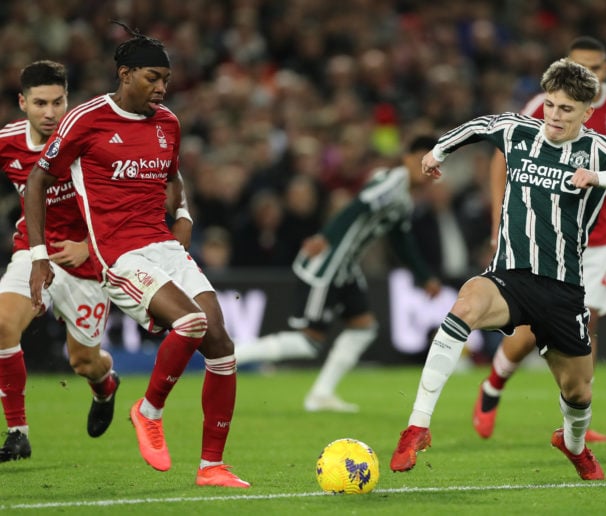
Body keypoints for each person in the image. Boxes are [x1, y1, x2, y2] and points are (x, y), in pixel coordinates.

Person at [390, 58, 606, 481]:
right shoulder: (518, 130)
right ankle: (416, 427)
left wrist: (602, 179)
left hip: (563, 290)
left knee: (578, 391)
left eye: (566, 109)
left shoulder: (599, 150)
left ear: (587, 112)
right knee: (466, 302)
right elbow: (477, 126)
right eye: (551, 105)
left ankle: (573, 444)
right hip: (510, 276)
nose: (555, 116)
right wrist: (437, 153)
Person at [24, 25, 248, 488]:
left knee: (222, 346)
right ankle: (147, 412)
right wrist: (39, 255)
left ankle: (212, 467)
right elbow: (37, 182)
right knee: (190, 323)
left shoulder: (168, 123)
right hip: (118, 255)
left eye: (165, 78)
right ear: (125, 75)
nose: (162, 87)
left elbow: (173, 177)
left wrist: (183, 214)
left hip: (165, 246)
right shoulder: (85, 120)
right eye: (152, 77)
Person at [473, 36, 606, 443]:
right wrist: (498, 222)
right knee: (530, 330)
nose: (590, 73)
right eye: (581, 65)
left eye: (598, 66)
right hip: (545, 232)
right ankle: (493, 386)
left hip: (601, 233)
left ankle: (576, 414)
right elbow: (502, 154)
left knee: (586, 325)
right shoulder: (547, 104)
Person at [233, 136, 442, 412]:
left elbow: (400, 240)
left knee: (364, 328)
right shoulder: (393, 181)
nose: (428, 169)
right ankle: (232, 355)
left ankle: (321, 394)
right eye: (423, 161)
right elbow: (357, 206)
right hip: (327, 267)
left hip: (346, 270)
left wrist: (423, 275)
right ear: (407, 159)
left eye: (435, 164)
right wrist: (326, 238)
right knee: (308, 342)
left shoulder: (404, 200)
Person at [0, 61, 120, 462]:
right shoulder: (8, 142)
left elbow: (124, 205)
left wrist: (88, 244)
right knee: (1, 325)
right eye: (39, 103)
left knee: (83, 362)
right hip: (33, 252)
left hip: (86, 263)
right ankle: (17, 432)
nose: (49, 112)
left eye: (57, 102)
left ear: (68, 100)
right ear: (23, 103)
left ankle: (105, 384)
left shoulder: (89, 141)